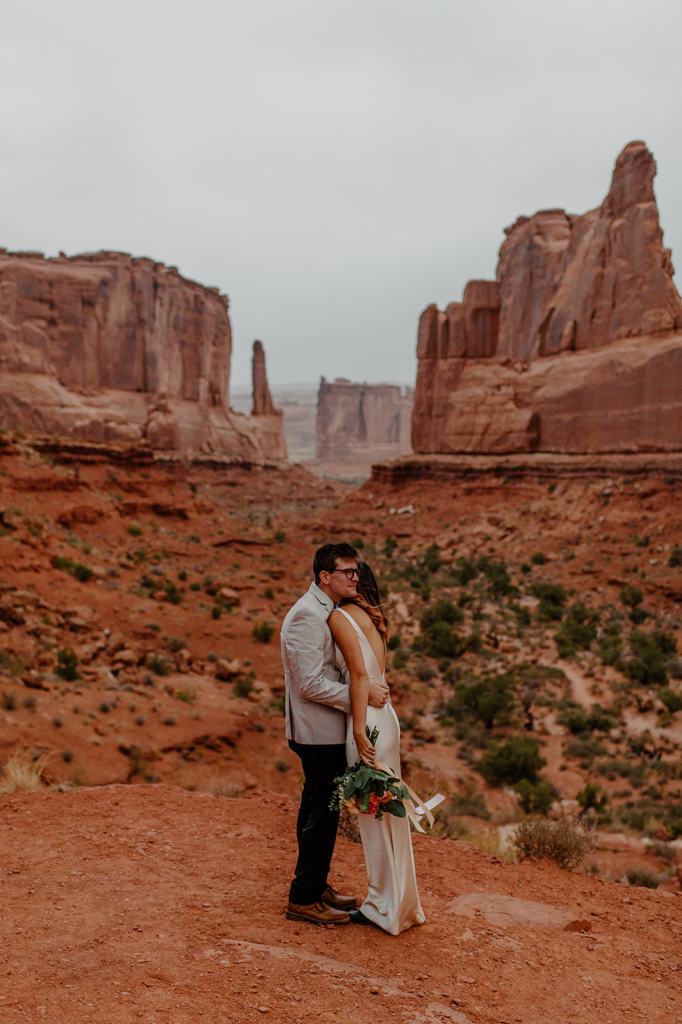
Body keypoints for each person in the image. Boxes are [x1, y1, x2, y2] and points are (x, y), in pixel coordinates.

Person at [281, 542, 390, 926]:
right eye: (347, 572)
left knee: (315, 808)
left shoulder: (326, 611)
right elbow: (309, 684)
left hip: (324, 730)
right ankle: (304, 898)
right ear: (325, 577)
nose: (355, 578)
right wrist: (361, 694)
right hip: (317, 732)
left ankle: (314, 884)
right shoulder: (307, 616)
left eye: (356, 572)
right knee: (323, 815)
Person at [329, 561, 425, 934]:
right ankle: (401, 903)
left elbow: (357, 677)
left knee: (372, 814)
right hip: (387, 719)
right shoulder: (375, 619)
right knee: (390, 813)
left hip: (367, 721)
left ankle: (382, 905)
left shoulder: (341, 617)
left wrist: (356, 730)